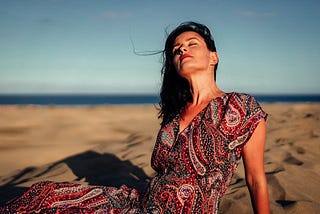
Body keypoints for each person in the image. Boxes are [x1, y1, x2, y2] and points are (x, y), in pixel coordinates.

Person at [0, 21, 270, 213]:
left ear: (214, 57)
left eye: (191, 44)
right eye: (176, 48)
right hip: (137, 199)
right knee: (45, 194)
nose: (181, 50)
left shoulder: (240, 106)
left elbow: (256, 179)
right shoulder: (174, 116)